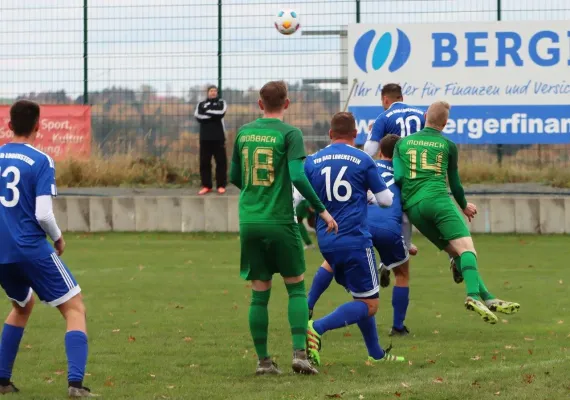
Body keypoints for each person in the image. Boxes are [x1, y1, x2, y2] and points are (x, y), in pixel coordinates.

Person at [229, 80, 338, 376]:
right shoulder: (290, 133)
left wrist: (255, 192)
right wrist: (321, 209)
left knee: (259, 292)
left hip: (249, 221)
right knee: (296, 288)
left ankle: (264, 361)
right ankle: (300, 354)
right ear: (287, 104)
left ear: (259, 104)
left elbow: (234, 176)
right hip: (280, 220)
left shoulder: (244, 133)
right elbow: (298, 176)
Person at [393, 101, 520, 324]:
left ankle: (488, 298)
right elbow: (455, 184)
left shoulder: (402, 143)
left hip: (413, 209)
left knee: (455, 252)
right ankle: (472, 296)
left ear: (425, 116)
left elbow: (398, 177)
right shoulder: (448, 145)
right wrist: (463, 205)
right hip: (438, 200)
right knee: (468, 250)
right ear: (445, 123)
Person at [0, 100, 92, 397]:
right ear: (38, 125)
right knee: (75, 308)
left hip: (2, 252)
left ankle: (2, 380)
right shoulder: (41, 161)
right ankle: (75, 384)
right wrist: (58, 237)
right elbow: (43, 214)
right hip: (30, 248)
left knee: (22, 306)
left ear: (10, 125)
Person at [304, 112, 404, 366]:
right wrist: (368, 194)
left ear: (329, 134)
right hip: (355, 240)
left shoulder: (313, 160)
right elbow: (385, 200)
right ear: (355, 134)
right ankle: (317, 328)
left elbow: (300, 197)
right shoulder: (362, 158)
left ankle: (376, 354)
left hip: (326, 240)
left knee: (363, 295)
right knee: (370, 304)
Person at [364, 83, 424, 260]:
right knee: (412, 209)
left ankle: (398, 248)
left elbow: (370, 150)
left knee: (395, 204)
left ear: (385, 99)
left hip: (395, 168)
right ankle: (454, 253)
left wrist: (371, 132)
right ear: (402, 98)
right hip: (418, 170)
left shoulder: (383, 117)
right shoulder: (422, 114)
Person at [195, 85, 228, 195]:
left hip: (218, 137)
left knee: (221, 162)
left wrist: (207, 112)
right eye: (211, 91)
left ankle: (221, 185)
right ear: (207, 92)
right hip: (205, 138)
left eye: (215, 91)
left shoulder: (221, 103)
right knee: (204, 162)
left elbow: (220, 113)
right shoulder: (201, 104)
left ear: (217, 93)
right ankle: (206, 185)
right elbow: (198, 116)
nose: (213, 92)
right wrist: (212, 114)